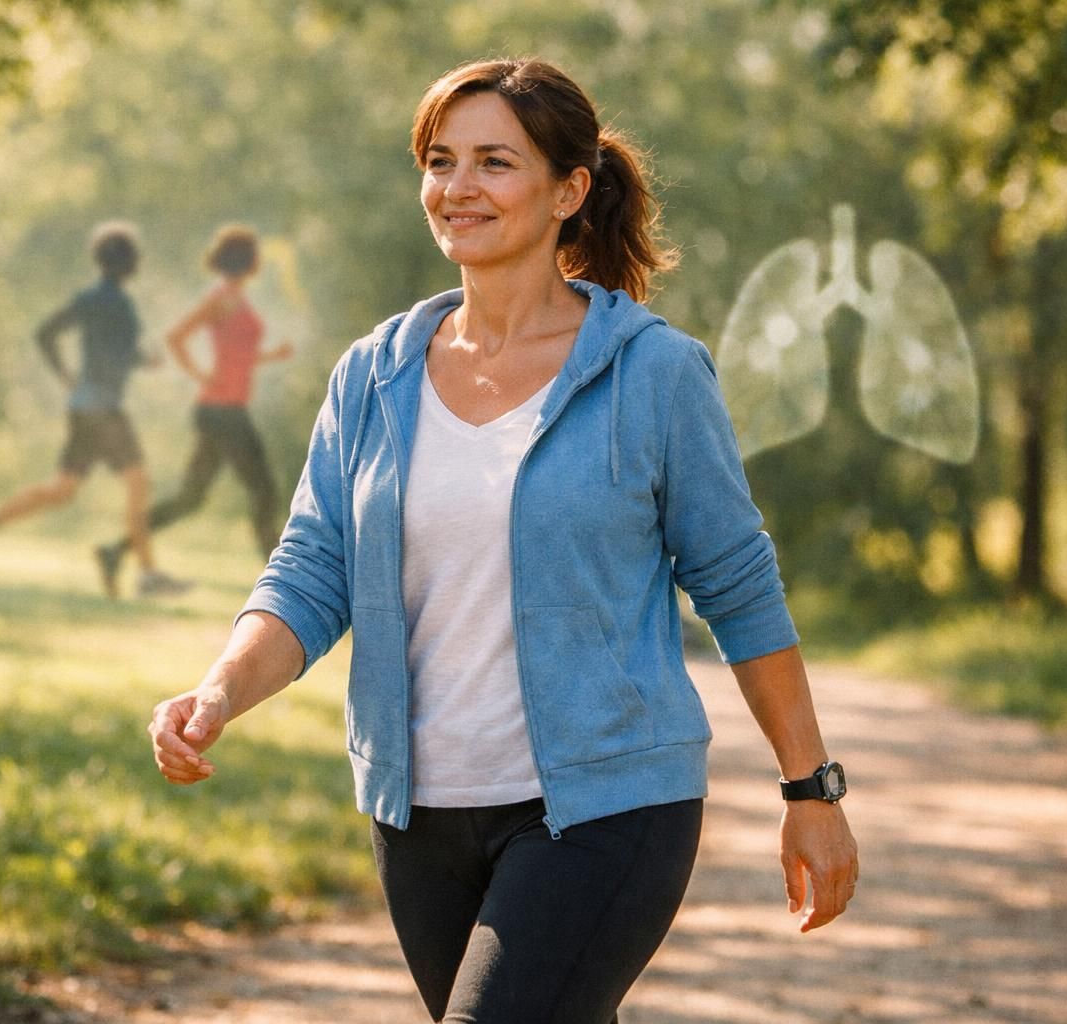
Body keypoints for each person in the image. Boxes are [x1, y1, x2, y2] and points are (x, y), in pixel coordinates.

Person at [147, 57, 859, 1023]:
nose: (458, 188)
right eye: (440, 161)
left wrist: (808, 788)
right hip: (418, 813)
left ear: (570, 191)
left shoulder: (652, 374)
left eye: (494, 162)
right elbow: (313, 571)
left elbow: (736, 585)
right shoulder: (374, 376)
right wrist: (220, 691)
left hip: (607, 806)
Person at [0, 222, 189, 598]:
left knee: (62, 490)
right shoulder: (119, 304)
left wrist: (68, 376)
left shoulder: (90, 298)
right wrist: (146, 360)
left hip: (85, 408)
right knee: (138, 483)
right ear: (130, 262)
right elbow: (116, 356)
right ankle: (146, 574)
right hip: (105, 412)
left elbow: (48, 334)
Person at [94, 225, 293, 595]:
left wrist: (270, 356)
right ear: (247, 260)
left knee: (191, 498)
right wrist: (201, 374)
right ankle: (282, 581)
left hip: (223, 410)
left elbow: (238, 355)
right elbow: (175, 336)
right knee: (263, 489)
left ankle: (114, 551)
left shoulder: (234, 297)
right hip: (223, 412)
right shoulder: (222, 297)